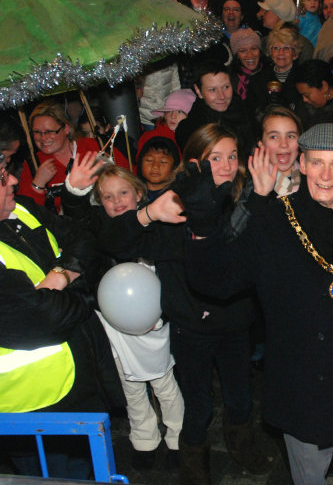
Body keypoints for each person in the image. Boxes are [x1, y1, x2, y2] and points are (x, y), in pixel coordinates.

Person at [182, 123, 333, 484]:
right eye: (317, 163)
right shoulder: (270, 221)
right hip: (302, 379)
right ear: (302, 164)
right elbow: (217, 282)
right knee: (309, 474)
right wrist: (202, 226)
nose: (326, 175)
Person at [99, 124, 267, 485]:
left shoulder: (243, 200)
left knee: (241, 396)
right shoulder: (173, 206)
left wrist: (263, 201)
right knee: (198, 403)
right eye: (215, 157)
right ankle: (193, 461)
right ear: (194, 163)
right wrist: (147, 214)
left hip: (236, 321)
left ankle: (242, 444)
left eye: (231, 156)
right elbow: (113, 241)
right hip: (192, 327)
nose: (226, 165)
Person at [0, 120, 124, 479]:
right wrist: (80, 285)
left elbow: (83, 238)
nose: (13, 180)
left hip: (80, 381)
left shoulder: (21, 209)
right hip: (34, 409)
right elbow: (45, 317)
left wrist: (59, 277)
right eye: (2, 177)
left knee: (89, 470)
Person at [62, 163, 184, 471]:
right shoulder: (99, 228)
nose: (117, 201)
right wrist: (74, 193)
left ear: (139, 193)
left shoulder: (158, 221)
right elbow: (77, 219)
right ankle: (144, 439)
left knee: (164, 382)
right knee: (129, 385)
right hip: (113, 322)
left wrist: (162, 312)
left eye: (123, 193)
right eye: (108, 196)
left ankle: (178, 437)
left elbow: (173, 276)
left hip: (154, 322)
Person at [17, 100, 129, 214]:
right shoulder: (34, 164)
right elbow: (24, 212)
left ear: (66, 129)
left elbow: (130, 179)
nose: (43, 138)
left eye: (49, 131)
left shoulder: (94, 147)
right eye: (37, 132)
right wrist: (38, 185)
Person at [175, 61, 258, 154]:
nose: (222, 96)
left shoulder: (245, 111)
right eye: (212, 90)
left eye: (226, 87)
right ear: (198, 91)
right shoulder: (191, 130)